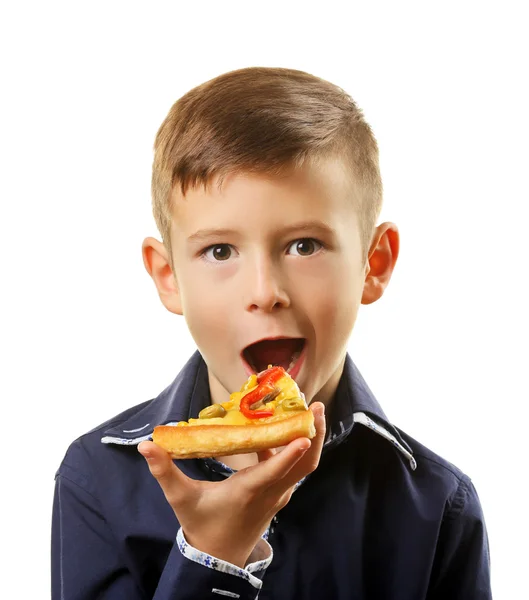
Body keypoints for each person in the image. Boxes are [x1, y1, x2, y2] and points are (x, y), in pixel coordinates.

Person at [51, 67, 492, 599]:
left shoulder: (438, 506)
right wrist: (211, 554)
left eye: (304, 245)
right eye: (219, 251)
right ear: (169, 278)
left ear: (374, 263)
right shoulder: (97, 480)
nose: (264, 291)